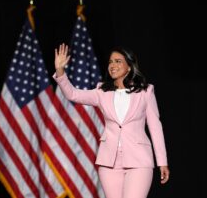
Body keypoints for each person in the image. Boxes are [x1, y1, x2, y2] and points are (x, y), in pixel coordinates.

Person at [53, 44, 170, 198]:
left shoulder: (145, 91)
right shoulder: (102, 92)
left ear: (129, 66)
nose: (112, 65)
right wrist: (60, 71)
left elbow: (155, 127)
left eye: (118, 61)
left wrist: (162, 161)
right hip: (109, 163)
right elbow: (73, 94)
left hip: (139, 161)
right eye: (110, 62)